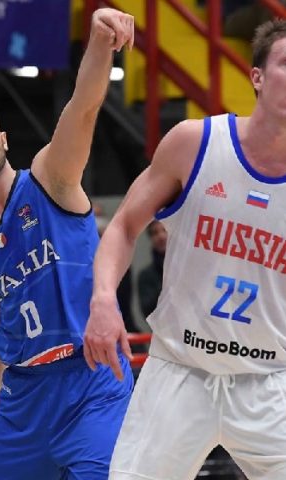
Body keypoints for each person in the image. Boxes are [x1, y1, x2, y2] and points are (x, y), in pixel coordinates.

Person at [86, 18, 286, 479]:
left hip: (269, 381)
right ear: (256, 76)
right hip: (180, 370)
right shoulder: (195, 143)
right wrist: (102, 301)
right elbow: (123, 226)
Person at [0, 8, 135, 479]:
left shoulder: (51, 178)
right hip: (24, 395)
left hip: (90, 377)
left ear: (3, 138)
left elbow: (82, 108)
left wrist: (98, 40)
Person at [136, 220, 167, 318]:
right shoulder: (146, 275)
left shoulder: (185, 268)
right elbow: (148, 311)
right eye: (155, 233)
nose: (161, 236)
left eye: (164, 230)